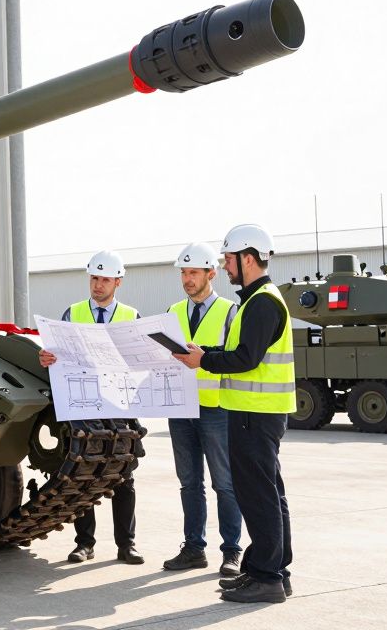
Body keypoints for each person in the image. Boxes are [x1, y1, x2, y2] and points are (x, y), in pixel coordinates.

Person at [174, 224, 294, 604]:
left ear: (247, 257)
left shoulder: (262, 302)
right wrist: (204, 349)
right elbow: (239, 348)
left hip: (255, 414)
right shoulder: (255, 299)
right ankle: (271, 570)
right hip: (255, 413)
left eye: (227, 259)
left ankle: (267, 577)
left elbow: (245, 358)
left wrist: (203, 359)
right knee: (269, 494)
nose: (224, 267)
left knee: (258, 496)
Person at [38, 250, 144, 565]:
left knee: (123, 476)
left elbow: (140, 361)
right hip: (83, 406)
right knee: (84, 473)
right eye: (94, 278)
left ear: (118, 282)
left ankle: (127, 545)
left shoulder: (131, 316)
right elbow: (58, 356)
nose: (97, 285)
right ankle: (85, 543)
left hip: (119, 405)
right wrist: (47, 359)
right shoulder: (72, 314)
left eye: (105, 279)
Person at [160, 242, 243, 577]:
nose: (187, 279)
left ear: (212, 273)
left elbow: (236, 355)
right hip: (181, 409)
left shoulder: (229, 311)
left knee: (224, 482)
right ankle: (194, 548)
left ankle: (232, 551)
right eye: (183, 272)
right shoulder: (173, 311)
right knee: (189, 482)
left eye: (193, 272)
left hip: (216, 409)